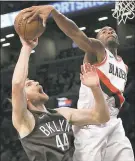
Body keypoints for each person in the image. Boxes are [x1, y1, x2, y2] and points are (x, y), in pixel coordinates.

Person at [22, 5, 134, 161]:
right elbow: (76, 34)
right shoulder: (98, 51)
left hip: (113, 122)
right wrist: (55, 13)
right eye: (103, 31)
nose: (109, 31)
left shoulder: (124, 66)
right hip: (90, 123)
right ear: (97, 39)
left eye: (112, 30)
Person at [11, 37, 109, 161]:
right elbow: (17, 84)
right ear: (25, 98)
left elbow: (101, 117)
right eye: (29, 84)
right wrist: (27, 47)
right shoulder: (25, 120)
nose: (35, 82)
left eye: (33, 81)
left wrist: (95, 87)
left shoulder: (62, 113)